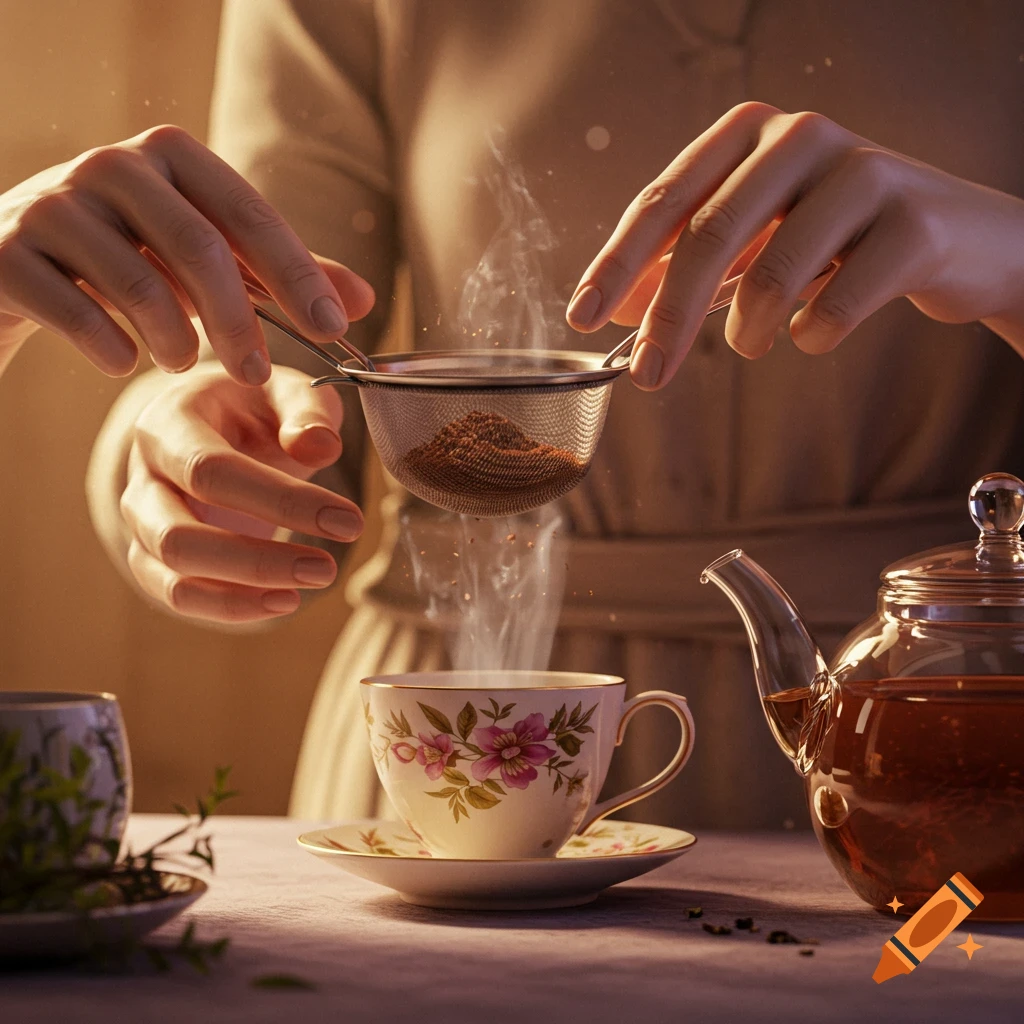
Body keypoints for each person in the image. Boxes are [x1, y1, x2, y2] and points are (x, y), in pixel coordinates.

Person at [60, 0, 1024, 828]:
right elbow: (272, 336)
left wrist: (1014, 263)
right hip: (457, 733)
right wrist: (185, 448)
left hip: (931, 714)